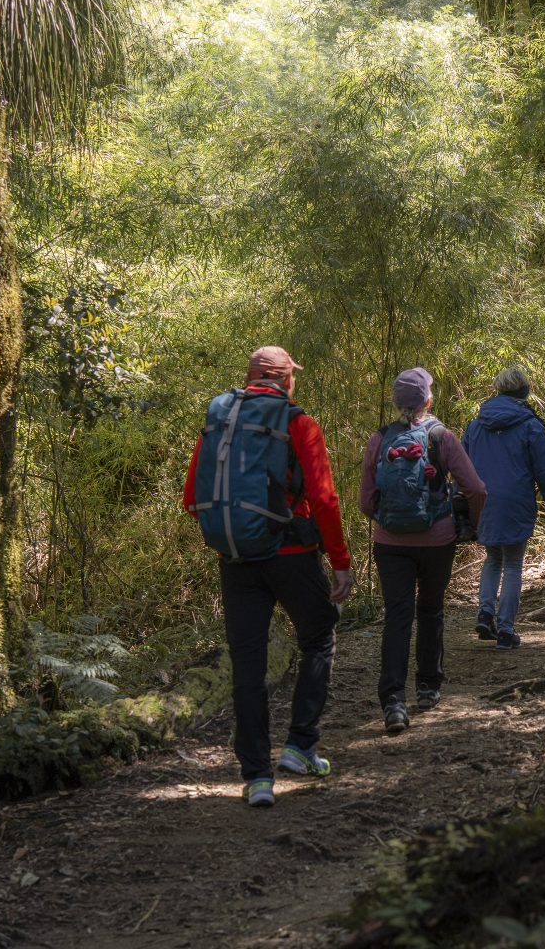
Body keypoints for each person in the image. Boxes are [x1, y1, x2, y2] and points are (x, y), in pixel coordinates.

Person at [182, 346, 353, 809]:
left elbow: (191, 496)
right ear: (285, 380)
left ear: (251, 376)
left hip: (236, 560)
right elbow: (324, 499)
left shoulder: (221, 421)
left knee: (248, 663)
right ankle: (300, 746)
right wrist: (340, 561)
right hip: (293, 554)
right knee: (318, 637)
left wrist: (237, 531)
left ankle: (257, 777)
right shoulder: (299, 423)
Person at [358, 367, 487, 733]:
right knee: (430, 610)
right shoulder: (441, 437)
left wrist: (387, 519)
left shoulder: (379, 438)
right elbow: (477, 489)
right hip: (437, 541)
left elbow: (365, 501)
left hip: (389, 544)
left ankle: (394, 702)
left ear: (395, 402)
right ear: (428, 400)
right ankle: (428, 687)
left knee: (397, 617)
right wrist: (471, 523)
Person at [462, 366, 545, 651]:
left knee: (493, 558)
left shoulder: (475, 426)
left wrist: (465, 506)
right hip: (516, 501)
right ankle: (506, 630)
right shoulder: (530, 425)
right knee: (512, 565)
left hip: (484, 502)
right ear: (524, 391)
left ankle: (485, 614)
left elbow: (463, 469)